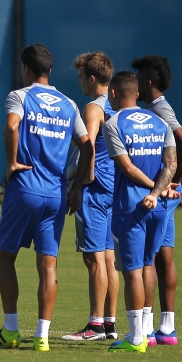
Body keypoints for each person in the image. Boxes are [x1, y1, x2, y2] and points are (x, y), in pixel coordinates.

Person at [0, 43, 92, 352]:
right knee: (48, 265)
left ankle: (11, 330)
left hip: (24, 188)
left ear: (26, 69)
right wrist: (77, 187)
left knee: (5, 257)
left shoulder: (20, 96)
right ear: (50, 70)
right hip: (56, 194)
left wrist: (11, 163)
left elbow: (12, 125)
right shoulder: (69, 104)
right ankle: (42, 336)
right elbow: (87, 146)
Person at [103, 71, 177, 353]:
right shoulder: (160, 122)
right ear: (137, 93)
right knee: (148, 265)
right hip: (158, 207)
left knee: (132, 271)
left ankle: (135, 339)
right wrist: (159, 192)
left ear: (113, 93)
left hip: (131, 206)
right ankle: (146, 330)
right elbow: (171, 164)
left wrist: (151, 191)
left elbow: (127, 168)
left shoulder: (114, 123)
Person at [134, 55, 182, 347]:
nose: (133, 83)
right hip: (164, 195)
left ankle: (145, 329)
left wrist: (171, 182)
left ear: (147, 83)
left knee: (147, 258)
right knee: (163, 257)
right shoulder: (155, 108)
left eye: (137, 78)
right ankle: (167, 329)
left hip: (160, 195)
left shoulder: (158, 109)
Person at [61, 52, 120, 342]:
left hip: (95, 190)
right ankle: (109, 323)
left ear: (92, 78)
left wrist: (82, 184)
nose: (79, 82)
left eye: (81, 77)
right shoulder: (118, 105)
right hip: (114, 189)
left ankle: (95, 325)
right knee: (109, 258)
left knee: (93, 257)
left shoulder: (93, 108)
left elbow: (90, 147)